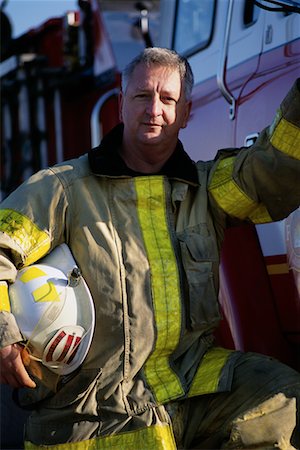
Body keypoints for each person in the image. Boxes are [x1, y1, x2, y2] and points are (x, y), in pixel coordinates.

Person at [0, 47, 300, 450]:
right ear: (121, 105)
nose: (154, 109)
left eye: (167, 99)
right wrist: (4, 335)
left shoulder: (206, 190)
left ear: (186, 111)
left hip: (191, 384)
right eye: (142, 96)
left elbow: (271, 171)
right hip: (94, 407)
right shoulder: (62, 188)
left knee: (281, 401)